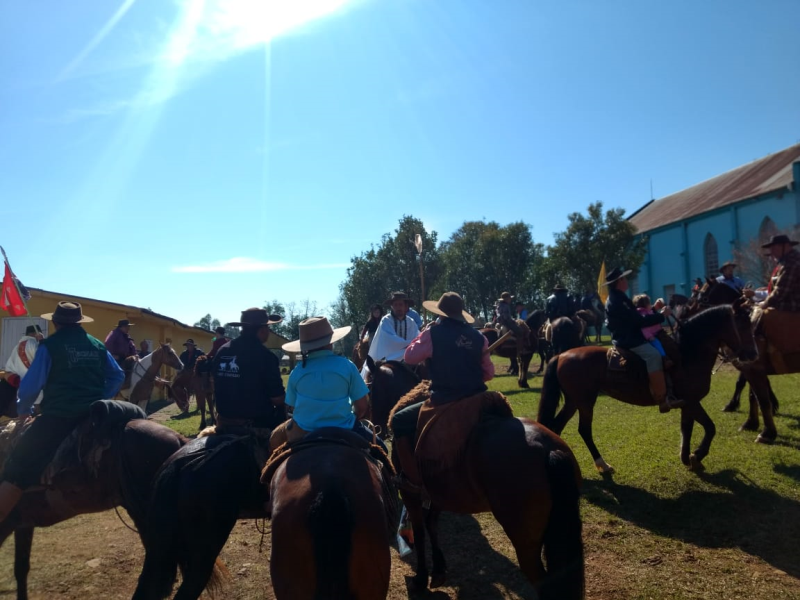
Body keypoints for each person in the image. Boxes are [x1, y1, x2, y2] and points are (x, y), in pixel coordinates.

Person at [0, 302, 124, 524]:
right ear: (78, 322)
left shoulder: (50, 346)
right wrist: (100, 396)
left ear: (55, 322)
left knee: (17, 466)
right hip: (95, 414)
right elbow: (118, 376)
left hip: (59, 416)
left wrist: (24, 411)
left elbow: (29, 387)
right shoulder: (97, 345)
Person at [391, 292, 494, 489]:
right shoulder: (478, 337)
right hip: (477, 398)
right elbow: (489, 373)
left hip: (445, 399)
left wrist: (425, 333)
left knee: (398, 420)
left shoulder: (432, 334)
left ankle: (412, 480)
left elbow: (410, 357)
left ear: (441, 314)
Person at [280, 317, 386, 451]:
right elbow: (362, 405)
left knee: (276, 451)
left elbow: (292, 406)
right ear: (330, 342)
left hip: (304, 430)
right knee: (382, 449)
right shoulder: (347, 366)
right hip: (344, 427)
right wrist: (352, 416)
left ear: (305, 347)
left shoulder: (297, 372)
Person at [603, 267, 683, 413]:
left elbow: (634, 315)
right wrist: (661, 315)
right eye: (624, 278)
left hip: (626, 336)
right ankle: (662, 397)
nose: (626, 281)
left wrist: (653, 308)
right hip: (629, 340)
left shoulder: (617, 297)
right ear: (619, 281)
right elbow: (638, 321)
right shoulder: (619, 300)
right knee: (654, 355)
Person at [212, 308, 286, 429]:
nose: (269, 331)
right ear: (262, 330)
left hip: (223, 422)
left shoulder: (222, 350)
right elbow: (277, 398)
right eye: (268, 328)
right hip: (256, 425)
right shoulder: (266, 356)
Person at [365, 291, 420, 373]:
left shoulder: (411, 322)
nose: (398, 307)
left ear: (405, 306)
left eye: (401, 304)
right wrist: (410, 344)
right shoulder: (386, 320)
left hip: (409, 357)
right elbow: (390, 341)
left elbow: (417, 337)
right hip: (389, 358)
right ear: (392, 306)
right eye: (395, 305)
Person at [759, 234, 800, 312]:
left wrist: (765, 303)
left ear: (786, 246)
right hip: (793, 304)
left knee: (755, 314)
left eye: (774, 248)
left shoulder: (791, 263)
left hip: (794, 306)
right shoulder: (792, 259)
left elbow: (780, 291)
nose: (772, 252)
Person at [495, 291, 526, 356]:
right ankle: (520, 350)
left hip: (501, 322)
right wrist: (513, 320)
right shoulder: (505, 306)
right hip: (507, 322)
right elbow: (506, 317)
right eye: (509, 299)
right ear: (506, 299)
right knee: (520, 331)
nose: (510, 300)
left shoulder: (500, 305)